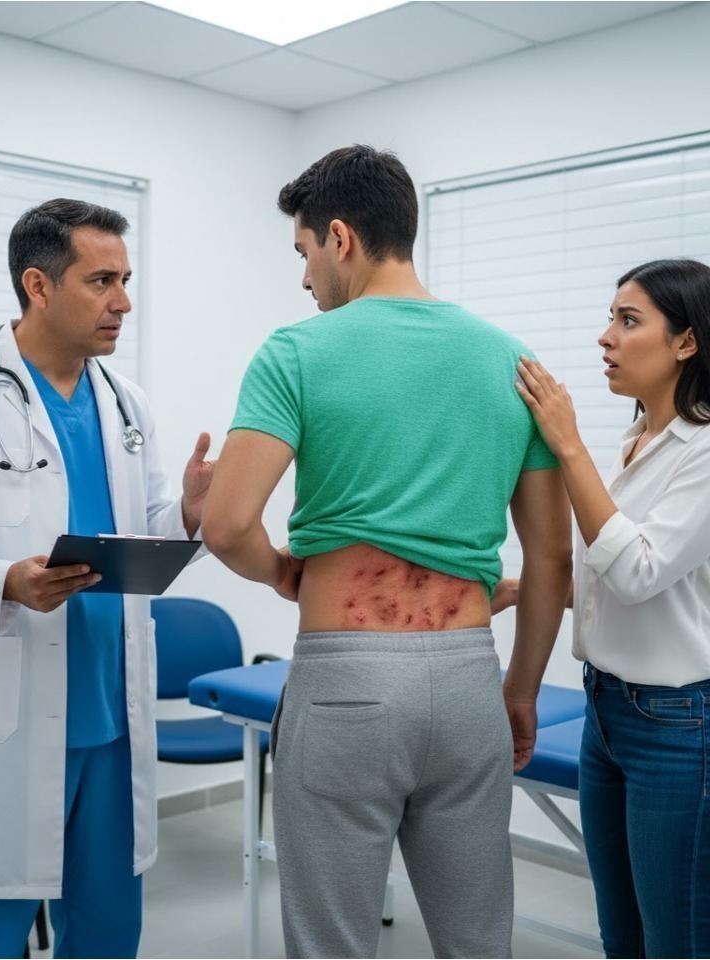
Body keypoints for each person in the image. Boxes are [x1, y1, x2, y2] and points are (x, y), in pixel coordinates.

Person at [203, 145, 572, 959]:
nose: (305, 282)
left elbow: (227, 525)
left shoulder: (297, 353)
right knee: (478, 942)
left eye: (303, 254)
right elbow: (551, 565)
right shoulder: (513, 362)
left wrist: (282, 574)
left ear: (340, 237)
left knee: (333, 943)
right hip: (472, 676)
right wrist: (519, 692)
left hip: (346, 685)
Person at [0, 199, 214, 959]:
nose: (123, 302)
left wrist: (189, 510)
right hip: (8, 720)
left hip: (113, 718)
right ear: (38, 286)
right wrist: (3, 583)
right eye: (101, 281)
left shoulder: (127, 403)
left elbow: (142, 529)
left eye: (126, 279)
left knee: (110, 929)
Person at [515, 258, 710, 958]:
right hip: (606, 711)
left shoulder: (706, 450)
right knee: (620, 937)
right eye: (609, 317)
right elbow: (621, 585)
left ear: (686, 342)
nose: (605, 337)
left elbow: (637, 572)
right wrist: (527, 590)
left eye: (628, 321)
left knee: (676, 943)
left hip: (677, 725)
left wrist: (566, 444)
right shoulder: (639, 442)